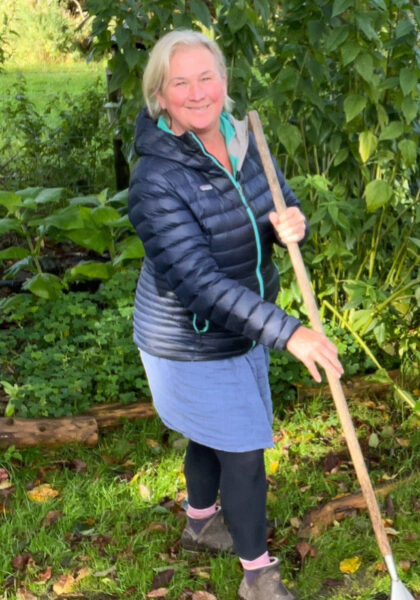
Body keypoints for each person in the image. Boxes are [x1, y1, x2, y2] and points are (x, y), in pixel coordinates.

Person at [128, 29, 343, 600]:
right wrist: (289, 332)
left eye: (207, 77)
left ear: (224, 81)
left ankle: (200, 521)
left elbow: (277, 197)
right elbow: (198, 284)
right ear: (160, 95)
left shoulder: (242, 136)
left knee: (212, 433)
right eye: (181, 82)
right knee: (244, 451)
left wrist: (291, 219)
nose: (197, 92)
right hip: (188, 337)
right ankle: (259, 578)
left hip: (244, 323)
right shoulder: (155, 181)